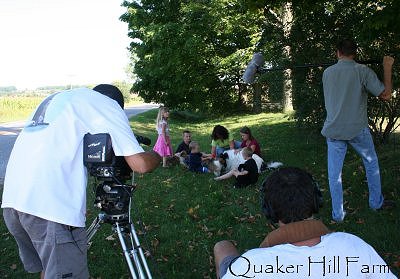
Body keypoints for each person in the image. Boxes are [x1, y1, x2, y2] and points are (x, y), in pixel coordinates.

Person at [1, 84, 161, 279]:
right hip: (50, 210)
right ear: (118, 105)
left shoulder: (64, 99)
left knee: (50, 267)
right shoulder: (108, 105)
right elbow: (141, 164)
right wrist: (158, 154)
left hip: (13, 203)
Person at [214, 167, 397, 279]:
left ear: (268, 210)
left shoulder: (250, 265)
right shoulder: (355, 245)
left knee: (222, 246)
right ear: (316, 201)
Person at [321, 38, 395, 222]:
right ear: (355, 53)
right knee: (371, 163)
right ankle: (376, 203)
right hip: (357, 129)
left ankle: (338, 216)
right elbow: (386, 96)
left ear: (337, 52)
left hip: (334, 130)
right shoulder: (362, 71)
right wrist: (387, 67)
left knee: (334, 173)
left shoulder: (327, 73)